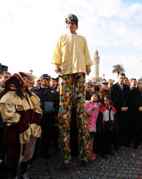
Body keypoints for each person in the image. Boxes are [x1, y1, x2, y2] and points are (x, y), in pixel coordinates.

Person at [52, 14, 93, 164]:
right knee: (64, 110)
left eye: (73, 23)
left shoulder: (82, 39)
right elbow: (57, 53)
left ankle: (85, 154)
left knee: (81, 111)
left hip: (80, 72)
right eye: (68, 23)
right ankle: (65, 157)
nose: (70, 25)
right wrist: (56, 64)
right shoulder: (62, 38)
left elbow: (86, 53)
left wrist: (88, 66)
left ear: (77, 25)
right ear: (66, 25)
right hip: (66, 72)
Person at [0, 72, 42, 179]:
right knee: (14, 155)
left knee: (28, 153)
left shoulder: (32, 96)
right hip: (17, 132)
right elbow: (9, 116)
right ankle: (13, 176)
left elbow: (38, 110)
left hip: (32, 131)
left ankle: (24, 173)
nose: (28, 80)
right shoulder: (9, 96)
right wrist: (23, 126)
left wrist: (34, 123)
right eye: (25, 79)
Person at [33, 74, 59, 159]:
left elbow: (56, 104)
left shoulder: (53, 92)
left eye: (49, 80)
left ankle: (44, 152)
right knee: (35, 135)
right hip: (36, 116)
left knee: (46, 135)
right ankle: (33, 153)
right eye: (46, 79)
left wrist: (55, 115)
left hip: (48, 116)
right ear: (40, 80)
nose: (48, 81)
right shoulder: (34, 91)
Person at [110, 73, 131, 148]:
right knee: (118, 127)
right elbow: (113, 100)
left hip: (126, 110)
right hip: (118, 110)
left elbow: (129, 99)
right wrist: (120, 107)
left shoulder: (127, 87)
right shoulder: (113, 87)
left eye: (123, 78)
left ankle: (125, 142)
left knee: (125, 126)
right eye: (120, 78)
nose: (122, 79)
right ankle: (117, 143)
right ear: (117, 78)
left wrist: (127, 107)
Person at [85, 93, 101, 161]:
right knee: (89, 139)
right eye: (93, 96)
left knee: (92, 139)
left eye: (96, 97)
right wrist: (91, 109)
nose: (94, 98)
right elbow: (85, 112)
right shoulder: (88, 103)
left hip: (95, 123)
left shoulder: (98, 104)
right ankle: (88, 154)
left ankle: (91, 152)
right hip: (89, 123)